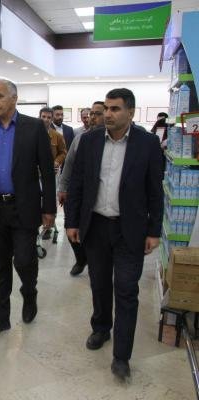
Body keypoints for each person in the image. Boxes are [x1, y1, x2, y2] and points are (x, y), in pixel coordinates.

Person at [65, 88, 163, 380]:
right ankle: (101, 328)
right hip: (95, 226)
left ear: (130, 112)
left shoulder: (147, 143)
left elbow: (155, 190)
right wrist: (71, 221)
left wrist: (154, 230)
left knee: (126, 289)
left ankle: (122, 355)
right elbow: (77, 183)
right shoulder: (90, 140)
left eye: (115, 108)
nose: (108, 114)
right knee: (99, 284)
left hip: (130, 229)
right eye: (106, 108)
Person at [0, 79, 56, 338]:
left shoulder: (34, 127)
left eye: (0, 96)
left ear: (14, 98)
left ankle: (29, 292)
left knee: (24, 259)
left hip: (24, 206)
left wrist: (49, 208)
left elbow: (47, 171)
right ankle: (1, 316)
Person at [58, 101, 106, 276]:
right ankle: (81, 258)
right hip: (78, 192)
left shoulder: (111, 141)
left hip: (100, 196)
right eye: (91, 114)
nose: (92, 117)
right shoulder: (80, 138)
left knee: (94, 231)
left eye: (97, 114)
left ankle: (97, 263)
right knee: (70, 226)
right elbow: (69, 164)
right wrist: (63, 188)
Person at [39, 107, 67, 240]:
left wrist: (56, 162)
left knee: (49, 200)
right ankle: (37, 223)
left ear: (52, 119)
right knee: (36, 200)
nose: (46, 120)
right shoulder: (32, 134)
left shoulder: (57, 136)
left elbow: (63, 152)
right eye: (43, 117)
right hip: (34, 174)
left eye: (49, 117)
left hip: (51, 174)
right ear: (39, 117)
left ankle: (48, 227)